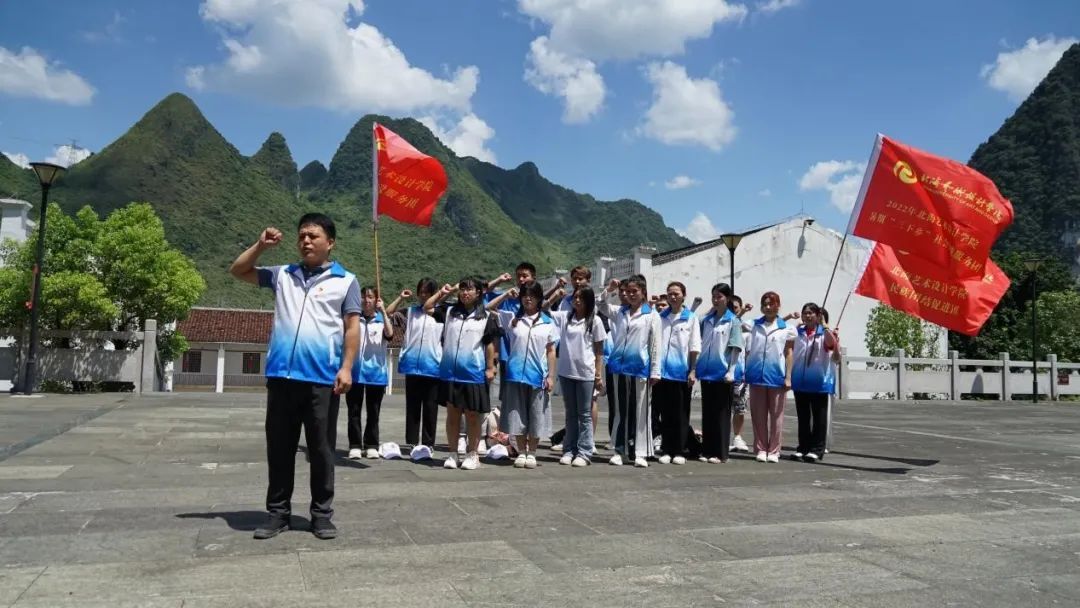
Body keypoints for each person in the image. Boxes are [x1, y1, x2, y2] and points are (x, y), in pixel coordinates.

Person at [229, 213, 360, 541]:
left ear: (330, 242)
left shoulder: (346, 281)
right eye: (302, 236)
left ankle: (321, 515)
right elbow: (238, 270)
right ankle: (278, 513)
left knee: (322, 450)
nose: (306, 241)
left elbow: (352, 328)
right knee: (280, 448)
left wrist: (346, 367)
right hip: (282, 378)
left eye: (313, 236)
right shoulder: (282, 275)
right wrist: (260, 246)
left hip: (321, 379)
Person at [425, 277, 500, 471]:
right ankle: (452, 453)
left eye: (470, 289)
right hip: (450, 372)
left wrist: (490, 367)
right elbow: (428, 306)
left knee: (473, 415)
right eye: (463, 289)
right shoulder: (450, 312)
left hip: (473, 373)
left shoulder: (486, 317)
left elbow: (490, 344)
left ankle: (472, 454)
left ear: (478, 293)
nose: (465, 293)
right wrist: (445, 292)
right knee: (453, 414)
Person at [486, 282, 558, 468]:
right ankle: (521, 451)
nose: (528, 298)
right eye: (525, 295)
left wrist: (551, 376)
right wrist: (505, 296)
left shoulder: (548, 323)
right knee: (517, 415)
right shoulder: (513, 319)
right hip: (515, 374)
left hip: (537, 376)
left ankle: (532, 452)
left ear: (539, 298)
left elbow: (551, 351)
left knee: (536, 415)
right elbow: (489, 308)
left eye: (532, 295)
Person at [601, 275, 660, 467]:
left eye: (635, 291)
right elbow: (600, 304)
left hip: (640, 368)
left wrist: (655, 371)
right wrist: (609, 289)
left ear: (643, 293)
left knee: (641, 411)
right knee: (621, 411)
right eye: (628, 291)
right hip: (618, 367)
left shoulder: (651, 315)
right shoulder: (620, 312)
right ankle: (620, 450)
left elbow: (655, 345)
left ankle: (641, 452)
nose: (631, 294)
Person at [550, 286, 607, 466]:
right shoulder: (565, 317)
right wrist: (555, 296)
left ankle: (584, 452)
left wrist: (598, 374)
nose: (577, 300)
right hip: (566, 372)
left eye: (581, 298)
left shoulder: (595, 320)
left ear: (588, 300)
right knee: (571, 414)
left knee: (584, 414)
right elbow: (543, 309)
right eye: (575, 297)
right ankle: (569, 449)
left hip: (585, 373)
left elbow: (599, 350)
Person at [386, 279, 442, 460]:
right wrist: (401, 298)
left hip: (433, 366)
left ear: (434, 293)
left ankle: (428, 444)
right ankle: (412, 442)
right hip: (411, 366)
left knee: (431, 407)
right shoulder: (409, 312)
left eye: (428, 292)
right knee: (412, 407)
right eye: (421, 292)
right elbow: (388, 312)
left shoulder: (441, 314)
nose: (423, 296)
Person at [745, 291, 795, 463]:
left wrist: (788, 377)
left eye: (771, 304)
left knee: (776, 416)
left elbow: (789, 353)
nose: (767, 307)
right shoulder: (753, 324)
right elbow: (735, 324)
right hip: (756, 376)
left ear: (778, 306)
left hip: (776, 376)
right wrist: (743, 310)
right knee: (758, 415)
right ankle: (760, 448)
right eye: (764, 304)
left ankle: (774, 450)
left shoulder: (786, 328)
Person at [695, 283, 743, 464]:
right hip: (706, 372)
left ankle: (721, 452)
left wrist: (731, 371)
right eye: (713, 296)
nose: (715, 300)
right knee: (708, 412)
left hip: (723, 374)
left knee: (722, 413)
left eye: (719, 297)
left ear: (727, 298)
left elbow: (735, 347)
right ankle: (707, 450)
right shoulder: (707, 319)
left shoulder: (733, 321)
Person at [654, 282, 701, 465]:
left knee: (681, 414)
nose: (673, 297)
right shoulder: (661, 317)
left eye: (676, 293)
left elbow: (694, 346)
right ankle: (667, 449)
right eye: (670, 294)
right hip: (662, 374)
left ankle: (680, 450)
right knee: (665, 414)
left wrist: (693, 370)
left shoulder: (691, 318)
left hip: (681, 373)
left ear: (684, 295)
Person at [345, 287, 393, 460]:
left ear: (376, 300)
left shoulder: (381, 320)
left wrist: (384, 312)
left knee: (373, 412)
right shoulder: (353, 319)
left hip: (376, 373)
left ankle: (372, 445)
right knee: (354, 411)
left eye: (370, 297)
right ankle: (355, 445)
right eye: (364, 297)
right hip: (355, 372)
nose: (367, 300)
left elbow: (390, 334)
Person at [791, 302, 838, 462]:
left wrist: (825, 327)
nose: (808, 316)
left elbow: (831, 344)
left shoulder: (823, 333)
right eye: (805, 313)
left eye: (811, 313)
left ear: (818, 316)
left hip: (819, 383)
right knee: (803, 417)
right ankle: (803, 448)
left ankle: (817, 449)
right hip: (800, 381)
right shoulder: (798, 332)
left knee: (819, 418)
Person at [729, 296, 752, 453]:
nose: (733, 311)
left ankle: (737, 437)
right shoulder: (721, 326)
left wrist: (746, 375)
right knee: (722, 409)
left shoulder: (746, 331)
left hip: (739, 376)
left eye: (736, 308)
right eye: (730, 308)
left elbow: (749, 354)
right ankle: (722, 437)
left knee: (739, 409)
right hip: (721, 375)